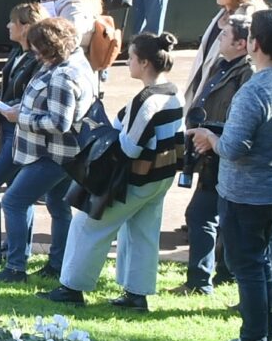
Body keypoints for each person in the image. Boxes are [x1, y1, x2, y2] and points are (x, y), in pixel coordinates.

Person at [193, 8, 272, 341]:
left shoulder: (255, 90)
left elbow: (232, 148)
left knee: (247, 267)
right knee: (259, 263)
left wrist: (209, 138)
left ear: (255, 44)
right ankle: (270, 335)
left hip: (247, 193)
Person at [44, 32, 187, 309]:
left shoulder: (147, 100)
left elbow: (130, 148)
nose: (127, 62)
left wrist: (103, 133)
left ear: (145, 63)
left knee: (88, 225)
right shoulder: (173, 91)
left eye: (131, 57)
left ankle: (71, 287)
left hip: (136, 177)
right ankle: (137, 294)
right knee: (143, 232)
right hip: (161, 178)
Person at [0, 15, 94, 282]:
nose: (34, 53)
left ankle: (15, 267)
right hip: (61, 154)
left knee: (13, 201)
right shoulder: (73, 62)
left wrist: (20, 118)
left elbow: (60, 122)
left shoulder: (63, 74)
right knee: (58, 206)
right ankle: (57, 264)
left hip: (50, 154)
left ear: (51, 47)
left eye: (38, 48)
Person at [172, 15, 255, 297]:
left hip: (225, 152)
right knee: (207, 215)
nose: (218, 39)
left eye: (224, 36)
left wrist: (214, 136)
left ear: (241, 44)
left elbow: (242, 118)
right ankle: (215, 276)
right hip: (209, 149)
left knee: (204, 215)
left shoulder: (247, 72)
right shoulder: (223, 65)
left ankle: (202, 281)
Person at [0, 3, 47, 268]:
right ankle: (16, 249)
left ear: (25, 27)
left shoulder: (38, 60)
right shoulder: (17, 53)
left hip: (23, 131)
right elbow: (5, 89)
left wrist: (1, 114)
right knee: (18, 193)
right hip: (8, 127)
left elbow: (26, 98)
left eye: (12, 22)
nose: (7, 26)